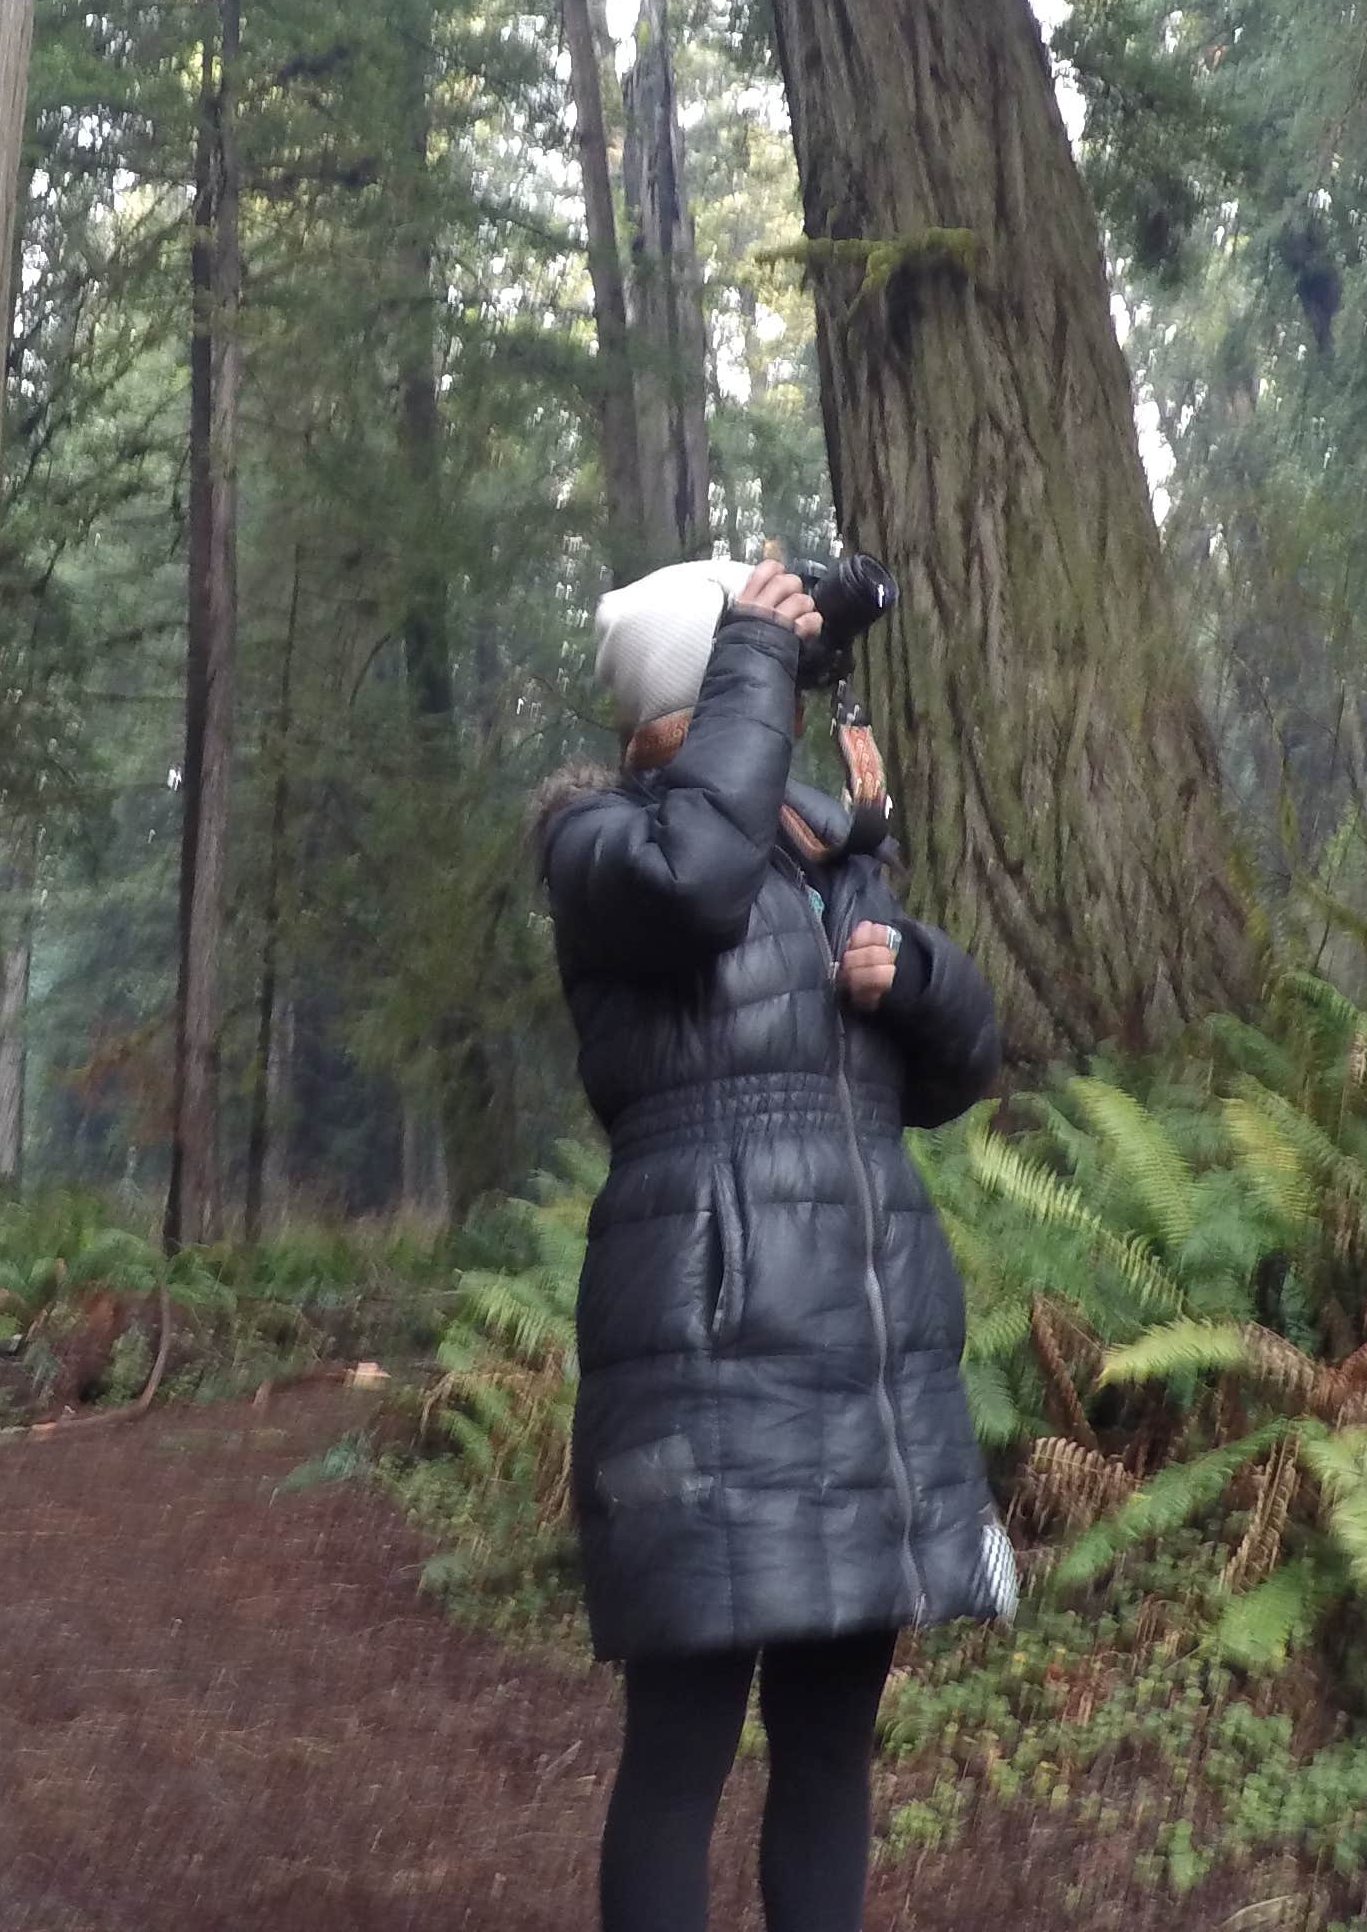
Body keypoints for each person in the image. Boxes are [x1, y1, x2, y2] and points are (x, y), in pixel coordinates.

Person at [534, 555, 1015, 1932]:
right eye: (749, 658)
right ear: (710, 681)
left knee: (828, 1756)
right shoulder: (601, 848)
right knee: (680, 1758)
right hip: (705, 1347)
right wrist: (759, 651)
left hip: (862, 1357)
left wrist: (921, 978)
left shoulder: (830, 852)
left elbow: (945, 1079)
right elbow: (696, 876)